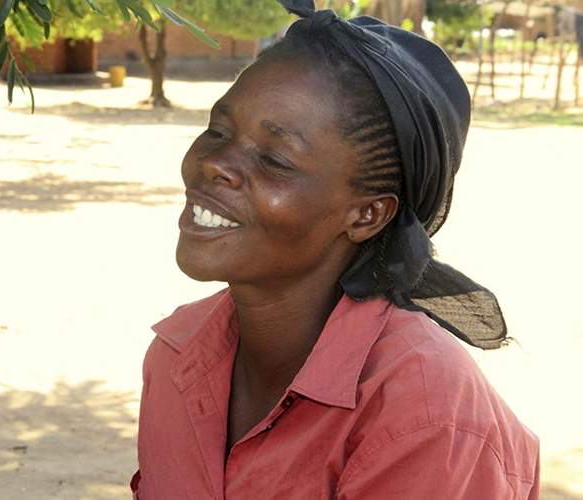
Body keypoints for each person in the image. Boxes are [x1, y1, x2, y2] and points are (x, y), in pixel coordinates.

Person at [131, 1, 540, 498]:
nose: (215, 163)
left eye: (275, 159)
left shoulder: (425, 415)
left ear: (366, 215)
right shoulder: (176, 354)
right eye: (218, 130)